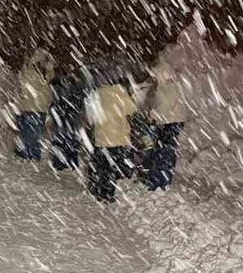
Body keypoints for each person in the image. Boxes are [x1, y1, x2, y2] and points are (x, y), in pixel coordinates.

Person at [86, 74, 138, 203]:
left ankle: (97, 189)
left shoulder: (96, 94)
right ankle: (108, 194)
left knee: (100, 165)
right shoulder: (120, 92)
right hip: (117, 138)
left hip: (101, 138)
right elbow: (132, 109)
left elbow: (91, 117)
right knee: (112, 167)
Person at [143, 60, 186, 190]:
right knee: (166, 151)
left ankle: (160, 181)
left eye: (156, 75)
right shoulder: (172, 85)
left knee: (163, 152)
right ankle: (163, 179)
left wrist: (152, 117)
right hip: (171, 122)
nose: (155, 77)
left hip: (170, 123)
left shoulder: (168, 87)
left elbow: (163, 107)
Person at [15, 46, 55, 160]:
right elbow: (46, 85)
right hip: (36, 107)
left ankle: (28, 155)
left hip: (29, 107)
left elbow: (22, 84)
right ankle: (31, 156)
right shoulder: (38, 73)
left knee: (29, 134)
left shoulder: (28, 71)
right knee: (33, 135)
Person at [48, 68, 89, 170]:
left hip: (62, 114)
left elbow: (55, 100)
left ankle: (61, 162)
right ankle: (71, 161)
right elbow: (81, 97)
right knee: (71, 138)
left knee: (61, 138)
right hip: (71, 114)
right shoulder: (76, 83)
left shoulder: (57, 84)